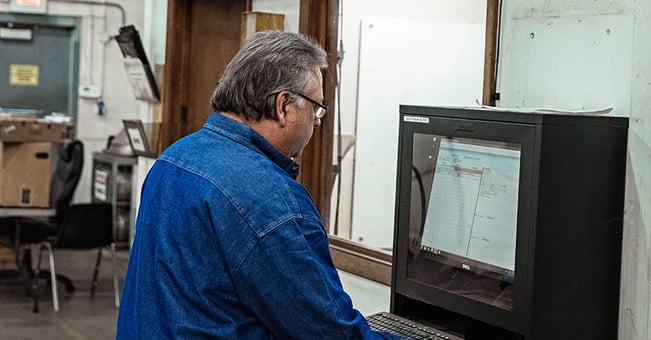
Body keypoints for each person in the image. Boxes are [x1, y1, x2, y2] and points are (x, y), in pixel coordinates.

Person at [116, 30, 397, 339]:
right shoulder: (271, 201)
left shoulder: (173, 159)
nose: (317, 122)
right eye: (315, 108)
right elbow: (328, 332)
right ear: (283, 106)